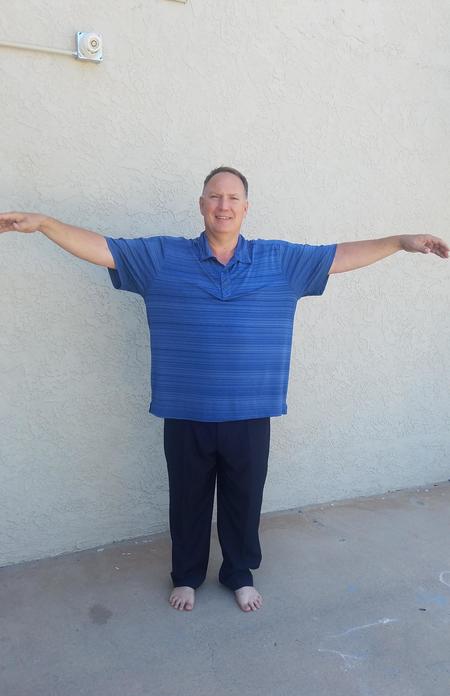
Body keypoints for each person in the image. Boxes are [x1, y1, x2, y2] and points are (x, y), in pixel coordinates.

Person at [1, 167, 448, 613]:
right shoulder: (163, 258)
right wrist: (45, 225)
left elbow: (339, 255)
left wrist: (398, 242)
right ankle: (187, 575)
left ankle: (239, 573)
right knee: (187, 501)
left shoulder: (279, 261)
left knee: (244, 501)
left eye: (233, 198)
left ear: (246, 208)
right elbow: (103, 249)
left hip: (250, 412)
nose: (223, 205)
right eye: (215, 196)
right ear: (202, 205)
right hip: (186, 411)